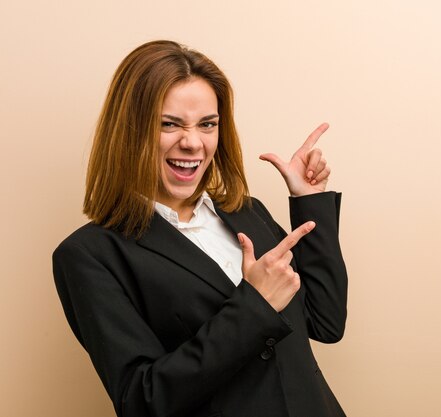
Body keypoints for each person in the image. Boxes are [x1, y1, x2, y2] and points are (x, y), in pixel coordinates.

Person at [52, 40, 348, 417]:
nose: (192, 143)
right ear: (130, 131)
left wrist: (309, 201)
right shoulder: (90, 255)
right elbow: (141, 400)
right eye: (169, 124)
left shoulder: (245, 211)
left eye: (207, 124)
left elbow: (326, 321)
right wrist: (255, 306)